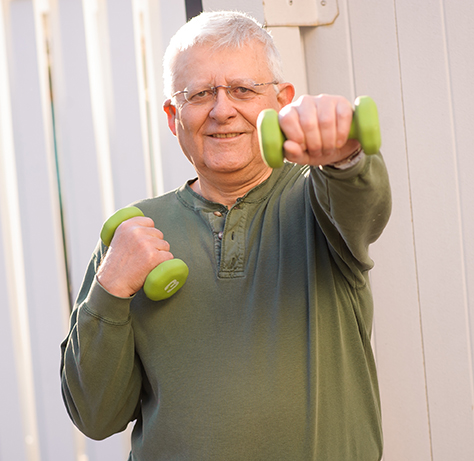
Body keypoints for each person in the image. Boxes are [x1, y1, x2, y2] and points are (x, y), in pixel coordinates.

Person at [61, 10, 391, 461]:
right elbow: (95, 416)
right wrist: (110, 289)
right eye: (200, 94)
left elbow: (366, 206)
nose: (222, 109)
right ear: (174, 117)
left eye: (243, 90)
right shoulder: (135, 234)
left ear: (281, 101)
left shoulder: (321, 200)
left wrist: (345, 156)